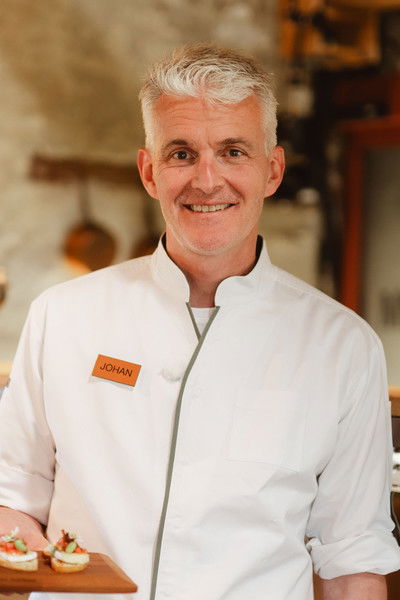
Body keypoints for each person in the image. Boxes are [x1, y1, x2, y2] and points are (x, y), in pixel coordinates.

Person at [0, 44, 399, 600]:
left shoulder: (343, 346)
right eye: (182, 153)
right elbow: (12, 497)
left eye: (233, 151)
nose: (207, 181)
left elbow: (352, 557)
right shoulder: (62, 316)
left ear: (272, 170)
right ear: (149, 172)